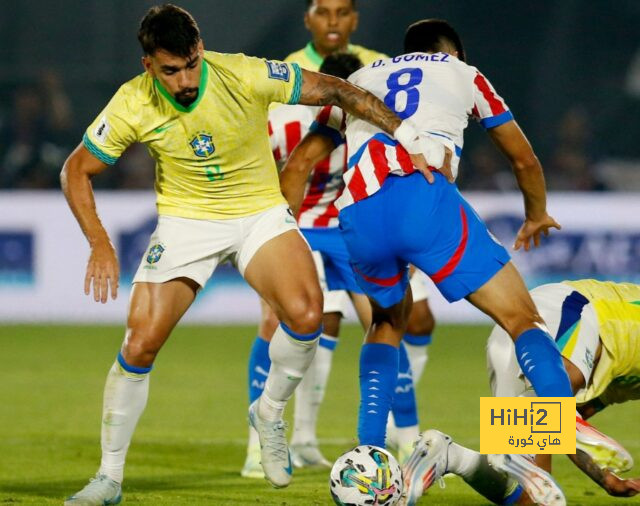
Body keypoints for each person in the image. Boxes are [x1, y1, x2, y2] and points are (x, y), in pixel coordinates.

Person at [60, 5, 439, 504]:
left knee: (306, 316)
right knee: (140, 344)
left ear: (200, 50)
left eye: (192, 63)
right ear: (148, 65)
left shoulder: (241, 72)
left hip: (259, 213)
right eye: (171, 70)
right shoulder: (132, 102)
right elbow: (76, 170)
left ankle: (270, 411)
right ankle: (108, 479)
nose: (186, 78)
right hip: (186, 222)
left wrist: (406, 134)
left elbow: (337, 90)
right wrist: (100, 244)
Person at [280, 15, 575, 486]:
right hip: (423, 196)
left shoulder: (360, 78)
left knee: (385, 323)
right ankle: (540, 476)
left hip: (358, 212)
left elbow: (298, 166)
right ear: (453, 53)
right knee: (524, 322)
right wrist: (536, 214)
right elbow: (523, 158)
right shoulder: (465, 73)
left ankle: (369, 464)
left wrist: (283, 239)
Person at [242, 0, 436, 476]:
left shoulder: (379, 72)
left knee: (402, 321)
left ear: (354, 19)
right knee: (285, 325)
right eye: (323, 11)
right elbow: (281, 160)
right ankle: (264, 444)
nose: (333, 21)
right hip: (303, 228)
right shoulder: (282, 78)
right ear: (308, 17)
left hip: (355, 227)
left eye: (342, 11)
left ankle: (402, 439)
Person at [401, 279, 640, 505]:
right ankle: (545, 412)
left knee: (532, 495)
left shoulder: (628, 381)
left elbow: (570, 430)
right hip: (565, 311)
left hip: (512, 336)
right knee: (559, 391)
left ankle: (447, 456)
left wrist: (606, 479)